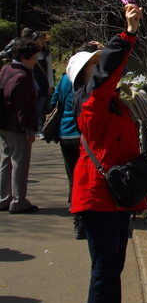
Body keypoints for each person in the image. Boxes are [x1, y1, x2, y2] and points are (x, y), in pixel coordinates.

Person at [69, 2, 147, 303]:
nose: (104, 68)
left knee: (109, 267)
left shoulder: (112, 103)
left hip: (112, 198)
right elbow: (105, 76)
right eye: (95, 64)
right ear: (86, 75)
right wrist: (127, 34)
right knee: (105, 269)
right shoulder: (91, 102)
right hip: (98, 197)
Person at [51, 41, 104, 240]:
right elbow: (118, 69)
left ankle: (77, 216)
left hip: (66, 133)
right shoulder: (93, 82)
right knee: (86, 179)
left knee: (73, 177)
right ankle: (84, 221)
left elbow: (53, 101)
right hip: (84, 136)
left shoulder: (65, 79)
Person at [0, 38, 41, 212]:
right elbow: (24, 106)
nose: (35, 61)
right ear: (25, 57)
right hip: (17, 126)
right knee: (20, 162)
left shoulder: (5, 70)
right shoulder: (23, 77)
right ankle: (18, 201)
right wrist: (29, 130)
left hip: (3, 123)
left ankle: (4, 198)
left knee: (6, 161)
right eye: (34, 58)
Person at [32, 32, 54, 137]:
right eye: (40, 39)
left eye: (43, 39)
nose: (42, 41)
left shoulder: (46, 54)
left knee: (41, 108)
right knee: (32, 106)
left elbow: (49, 69)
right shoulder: (29, 53)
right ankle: (32, 128)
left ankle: (40, 128)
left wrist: (51, 85)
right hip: (32, 83)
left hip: (43, 83)